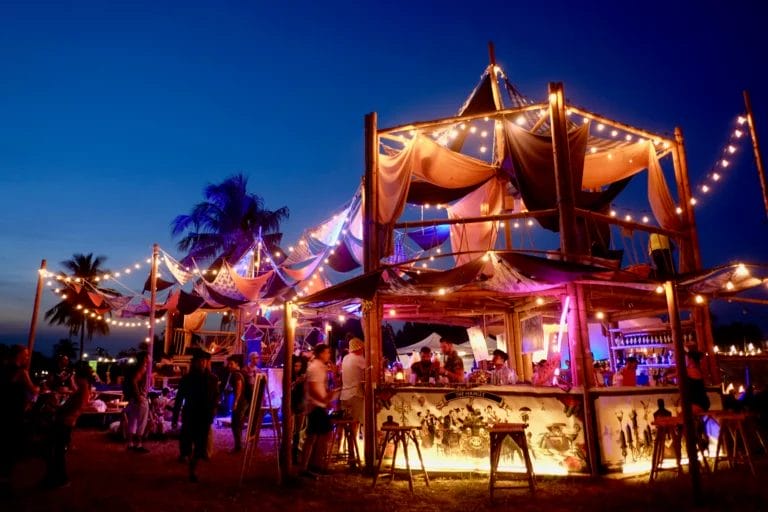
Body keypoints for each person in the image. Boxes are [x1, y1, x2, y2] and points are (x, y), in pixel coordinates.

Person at [42, 361, 94, 488]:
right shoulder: (82, 390)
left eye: (76, 376)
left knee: (56, 452)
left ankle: (60, 479)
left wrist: (54, 406)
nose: (74, 378)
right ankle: (57, 477)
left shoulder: (83, 392)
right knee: (56, 452)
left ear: (81, 378)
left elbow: (70, 409)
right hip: (65, 423)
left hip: (64, 424)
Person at [173, 349, 220, 482]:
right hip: (190, 414)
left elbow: (216, 396)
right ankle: (188, 461)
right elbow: (179, 398)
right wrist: (175, 417)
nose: (202, 363)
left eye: (204, 361)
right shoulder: (187, 379)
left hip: (204, 416)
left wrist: (213, 410)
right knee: (187, 442)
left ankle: (193, 468)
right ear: (194, 363)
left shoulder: (212, 379)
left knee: (200, 445)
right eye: (200, 361)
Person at [0, 344, 38, 494]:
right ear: (19, 355)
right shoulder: (21, 372)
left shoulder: (3, 369)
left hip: (5, 411)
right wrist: (38, 390)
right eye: (26, 355)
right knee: (11, 446)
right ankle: (5, 480)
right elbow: (32, 389)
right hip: (13, 414)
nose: (28, 357)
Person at [300, 343, 335, 476]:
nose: (329, 355)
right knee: (320, 435)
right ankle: (314, 465)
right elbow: (312, 388)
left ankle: (311, 465)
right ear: (320, 353)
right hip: (316, 405)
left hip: (318, 404)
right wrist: (324, 400)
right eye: (327, 352)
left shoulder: (320, 367)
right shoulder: (315, 368)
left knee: (315, 436)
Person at [123, 352, 150, 453]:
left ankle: (130, 443)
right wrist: (139, 396)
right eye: (148, 357)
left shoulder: (134, 368)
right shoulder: (142, 368)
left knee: (132, 421)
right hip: (140, 398)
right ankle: (138, 445)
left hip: (133, 399)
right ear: (144, 358)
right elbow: (134, 381)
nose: (149, 358)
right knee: (141, 422)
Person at [340, 337, 366, 440]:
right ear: (359, 348)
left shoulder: (346, 358)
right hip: (355, 394)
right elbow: (370, 372)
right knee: (355, 422)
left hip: (344, 395)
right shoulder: (359, 359)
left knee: (347, 423)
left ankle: (347, 447)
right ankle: (352, 449)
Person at [225, 354, 250, 453]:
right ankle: (239, 445)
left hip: (240, 402)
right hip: (244, 401)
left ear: (237, 364)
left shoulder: (236, 374)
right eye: (228, 364)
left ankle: (238, 446)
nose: (229, 366)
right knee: (238, 423)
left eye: (231, 364)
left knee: (236, 424)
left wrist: (235, 402)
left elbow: (239, 386)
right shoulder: (242, 372)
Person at [290, 355, 308, 464]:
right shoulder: (289, 375)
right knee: (291, 429)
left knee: (298, 430)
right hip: (291, 402)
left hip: (300, 402)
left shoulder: (303, 376)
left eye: (300, 366)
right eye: (296, 366)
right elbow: (287, 388)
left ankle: (296, 453)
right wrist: (296, 382)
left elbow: (305, 392)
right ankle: (290, 453)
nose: (298, 368)